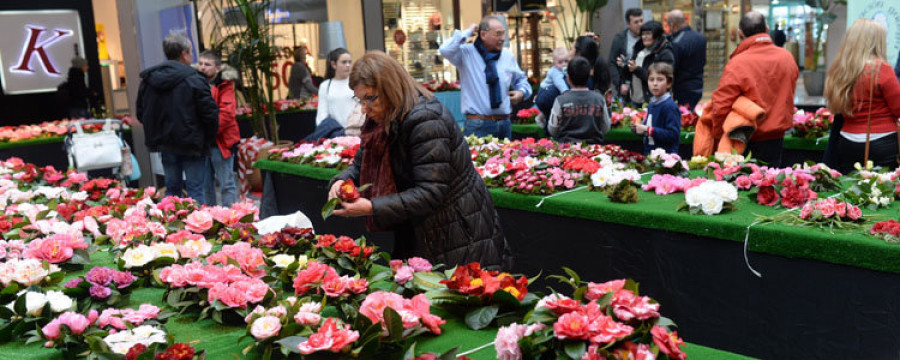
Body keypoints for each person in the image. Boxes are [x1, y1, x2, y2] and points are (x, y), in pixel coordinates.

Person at [327, 51, 513, 270]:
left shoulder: (425, 119)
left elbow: (431, 193)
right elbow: (361, 161)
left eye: (370, 98)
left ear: (391, 88)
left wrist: (371, 206)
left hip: (458, 232)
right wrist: (341, 181)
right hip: (424, 229)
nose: (365, 108)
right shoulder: (386, 114)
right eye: (360, 99)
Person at [704, 12, 797, 167]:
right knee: (771, 184)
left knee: (744, 184)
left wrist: (721, 136)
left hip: (744, 136)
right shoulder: (786, 57)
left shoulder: (737, 63)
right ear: (767, 30)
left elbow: (721, 104)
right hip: (777, 136)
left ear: (740, 34)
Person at [137, 33, 218, 204]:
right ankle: (197, 229)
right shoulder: (195, 79)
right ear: (183, 53)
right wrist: (207, 139)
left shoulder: (150, 79)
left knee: (172, 190)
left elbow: (141, 112)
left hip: (166, 144)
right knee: (196, 191)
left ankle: (172, 228)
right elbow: (209, 114)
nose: (192, 54)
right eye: (190, 51)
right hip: (193, 144)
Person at [823, 19, 900, 174]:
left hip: (846, 140)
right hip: (881, 142)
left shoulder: (839, 70)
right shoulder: (881, 69)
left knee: (850, 189)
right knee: (880, 192)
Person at [440, 16, 532, 139]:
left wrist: (521, 93)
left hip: (505, 123)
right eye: (498, 34)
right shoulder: (466, 53)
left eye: (503, 34)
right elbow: (445, 49)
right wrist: (467, 32)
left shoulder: (507, 56)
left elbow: (521, 80)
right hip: (478, 125)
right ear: (483, 34)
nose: (502, 39)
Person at [197, 50, 240, 207]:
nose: (202, 67)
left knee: (226, 184)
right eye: (200, 63)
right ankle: (210, 222)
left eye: (207, 64)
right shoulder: (194, 82)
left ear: (217, 68)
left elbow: (227, 114)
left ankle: (231, 220)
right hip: (203, 144)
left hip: (220, 143)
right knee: (205, 186)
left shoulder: (225, 85)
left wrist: (208, 131)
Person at [547, 56, 610, 145]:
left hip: (567, 151)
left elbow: (552, 129)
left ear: (568, 78)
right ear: (589, 76)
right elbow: (605, 128)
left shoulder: (560, 100)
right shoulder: (599, 99)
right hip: (594, 151)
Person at [631, 62, 680, 154]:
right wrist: (637, 128)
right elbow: (649, 128)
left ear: (669, 83)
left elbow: (673, 135)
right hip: (650, 154)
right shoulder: (652, 104)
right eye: (651, 79)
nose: (655, 84)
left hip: (666, 158)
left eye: (660, 80)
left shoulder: (669, 106)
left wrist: (647, 129)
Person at [623, 21, 675, 107]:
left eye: (648, 34)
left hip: (653, 100)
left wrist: (636, 69)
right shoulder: (639, 49)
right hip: (634, 99)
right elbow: (630, 74)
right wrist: (625, 66)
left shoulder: (665, 53)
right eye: (643, 34)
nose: (644, 37)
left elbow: (661, 79)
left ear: (657, 35)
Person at [667, 9, 706, 108]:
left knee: (684, 118)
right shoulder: (701, 38)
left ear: (672, 24)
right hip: (698, 85)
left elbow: (673, 67)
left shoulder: (676, 42)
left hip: (682, 88)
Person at [314, 48, 358, 132]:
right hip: (335, 133)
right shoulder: (325, 86)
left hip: (356, 131)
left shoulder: (356, 82)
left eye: (350, 62)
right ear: (334, 65)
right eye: (344, 62)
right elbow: (322, 114)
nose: (348, 65)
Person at [610, 8, 644, 101]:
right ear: (628, 24)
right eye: (636, 22)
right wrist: (619, 84)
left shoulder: (648, 37)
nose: (640, 24)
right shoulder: (620, 39)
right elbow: (612, 63)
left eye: (641, 21)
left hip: (645, 85)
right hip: (627, 86)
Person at [534, 47, 571, 118]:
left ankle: (542, 116)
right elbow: (559, 83)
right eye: (560, 62)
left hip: (550, 91)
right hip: (544, 90)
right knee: (548, 110)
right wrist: (566, 92)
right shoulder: (555, 71)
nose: (564, 64)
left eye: (566, 61)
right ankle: (542, 117)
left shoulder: (562, 69)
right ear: (554, 63)